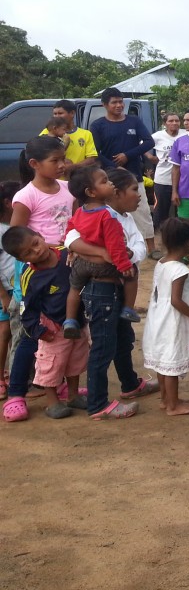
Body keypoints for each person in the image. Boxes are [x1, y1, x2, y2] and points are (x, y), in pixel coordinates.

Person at [75, 165, 159, 419]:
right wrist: (103, 253)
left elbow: (138, 247)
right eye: (134, 190)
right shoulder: (99, 215)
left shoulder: (124, 217)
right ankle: (98, 405)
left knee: (123, 339)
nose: (139, 195)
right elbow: (70, 238)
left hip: (117, 288)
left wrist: (129, 254)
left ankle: (130, 384)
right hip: (102, 289)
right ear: (116, 193)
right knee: (103, 346)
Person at [4, 137, 75, 422]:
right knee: (30, 332)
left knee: (61, 329)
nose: (62, 165)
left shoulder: (69, 189)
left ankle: (60, 386)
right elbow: (15, 239)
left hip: (64, 268)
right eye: (55, 161)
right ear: (34, 164)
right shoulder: (26, 196)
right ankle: (16, 394)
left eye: (63, 159)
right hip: (36, 274)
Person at [1, 228, 90, 419]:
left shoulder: (67, 253)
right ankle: (52, 403)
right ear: (21, 258)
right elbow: (27, 307)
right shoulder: (29, 275)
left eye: (35, 243)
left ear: (40, 237)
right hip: (52, 327)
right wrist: (38, 330)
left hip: (77, 321)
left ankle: (73, 395)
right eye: (28, 252)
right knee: (51, 365)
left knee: (76, 360)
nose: (36, 251)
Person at [62, 167, 140, 339]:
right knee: (132, 274)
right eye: (104, 181)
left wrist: (71, 249)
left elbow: (70, 229)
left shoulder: (81, 211)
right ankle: (128, 308)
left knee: (74, 288)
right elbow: (115, 245)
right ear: (91, 191)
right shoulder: (107, 216)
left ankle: (70, 320)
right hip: (103, 266)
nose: (110, 183)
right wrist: (124, 265)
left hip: (81, 263)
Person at [143, 218, 189, 416]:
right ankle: (173, 405)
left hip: (158, 318)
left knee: (163, 362)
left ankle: (167, 399)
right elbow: (176, 300)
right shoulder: (180, 269)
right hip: (172, 321)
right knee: (172, 365)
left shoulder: (161, 263)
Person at [89, 87, 157, 256]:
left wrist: (128, 155)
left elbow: (149, 142)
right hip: (109, 178)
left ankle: (152, 248)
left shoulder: (133, 121)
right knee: (111, 212)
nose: (119, 105)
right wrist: (113, 166)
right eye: (114, 102)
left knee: (142, 211)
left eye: (121, 102)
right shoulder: (98, 126)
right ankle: (114, 247)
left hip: (134, 175)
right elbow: (96, 152)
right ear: (105, 105)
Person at [43, 99, 99, 176]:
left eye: (60, 113)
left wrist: (72, 167)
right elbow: (42, 156)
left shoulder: (86, 134)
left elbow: (91, 159)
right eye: (55, 114)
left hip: (77, 180)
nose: (57, 117)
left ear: (72, 113)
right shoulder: (47, 132)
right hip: (55, 180)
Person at [0, 181, 19, 403]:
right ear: (8, 202)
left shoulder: (16, 226)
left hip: (18, 289)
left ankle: (16, 376)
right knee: (4, 332)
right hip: (6, 290)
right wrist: (3, 295)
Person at [149, 111, 182, 234]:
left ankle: (178, 235)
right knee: (160, 210)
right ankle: (159, 236)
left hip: (181, 180)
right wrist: (150, 157)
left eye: (177, 120)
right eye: (171, 121)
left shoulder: (185, 134)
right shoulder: (158, 136)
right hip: (162, 179)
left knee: (180, 211)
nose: (174, 123)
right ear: (165, 123)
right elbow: (141, 145)